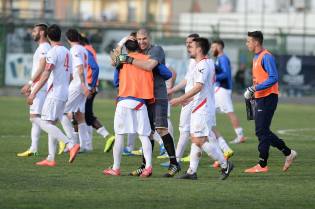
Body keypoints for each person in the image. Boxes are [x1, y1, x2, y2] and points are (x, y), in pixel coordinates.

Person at [117, 29, 180, 177]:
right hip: (144, 97)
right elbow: (114, 60)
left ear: (149, 38)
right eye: (138, 39)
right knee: (147, 133)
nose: (141, 42)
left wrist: (129, 59)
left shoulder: (156, 49)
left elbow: (150, 66)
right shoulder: (137, 52)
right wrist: (123, 41)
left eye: (144, 38)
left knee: (161, 129)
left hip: (158, 95)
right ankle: (145, 167)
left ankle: (174, 163)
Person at [170, 37, 234, 180]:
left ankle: (225, 164)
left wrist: (180, 98)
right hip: (201, 105)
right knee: (196, 140)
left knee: (199, 140)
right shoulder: (207, 63)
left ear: (199, 49)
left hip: (202, 108)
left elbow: (199, 87)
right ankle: (192, 171)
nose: (189, 49)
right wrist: (188, 99)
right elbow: (204, 88)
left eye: (191, 46)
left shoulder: (202, 65)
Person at [27, 24, 80, 166]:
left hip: (54, 92)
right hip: (64, 92)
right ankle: (51, 158)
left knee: (39, 121)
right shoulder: (67, 51)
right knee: (51, 123)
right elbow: (70, 76)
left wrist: (33, 92)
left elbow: (45, 74)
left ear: (48, 36)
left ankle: (70, 144)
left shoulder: (52, 52)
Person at [244, 31, 297, 173]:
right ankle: (288, 152)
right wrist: (253, 93)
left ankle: (262, 164)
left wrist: (255, 88)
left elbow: (274, 77)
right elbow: (261, 79)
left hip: (269, 97)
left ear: (256, 42)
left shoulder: (266, 56)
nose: (247, 43)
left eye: (248, 41)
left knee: (261, 131)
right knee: (263, 131)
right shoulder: (256, 57)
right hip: (261, 97)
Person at [103, 39, 154, 177]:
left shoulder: (122, 59)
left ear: (126, 50)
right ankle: (148, 166)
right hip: (141, 102)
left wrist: (121, 44)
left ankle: (116, 168)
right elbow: (166, 73)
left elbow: (113, 60)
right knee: (144, 136)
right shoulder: (147, 58)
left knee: (119, 135)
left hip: (125, 101)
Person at [18, 23, 51, 157]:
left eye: (34, 31)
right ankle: (34, 148)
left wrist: (31, 84)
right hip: (40, 86)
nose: (32, 33)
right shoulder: (43, 47)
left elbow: (43, 66)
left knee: (35, 118)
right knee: (38, 117)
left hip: (40, 87)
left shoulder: (44, 47)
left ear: (42, 33)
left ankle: (63, 140)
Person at [79, 34, 115, 152]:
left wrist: (92, 85)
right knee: (84, 115)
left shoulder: (86, 50)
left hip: (88, 86)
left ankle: (107, 136)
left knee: (83, 115)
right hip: (90, 85)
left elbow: (95, 68)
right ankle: (86, 145)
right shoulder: (90, 49)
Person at [60, 29, 91, 152]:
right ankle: (85, 145)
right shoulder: (83, 49)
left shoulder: (74, 50)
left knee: (61, 111)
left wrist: (82, 84)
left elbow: (79, 67)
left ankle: (71, 143)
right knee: (79, 115)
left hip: (78, 84)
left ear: (68, 39)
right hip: (82, 84)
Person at [211, 38, 245, 145]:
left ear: (219, 47)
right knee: (208, 111)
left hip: (222, 90)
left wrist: (213, 77)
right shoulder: (218, 59)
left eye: (213, 47)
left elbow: (226, 74)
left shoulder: (223, 59)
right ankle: (208, 135)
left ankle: (240, 136)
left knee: (229, 112)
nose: (212, 49)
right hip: (219, 89)